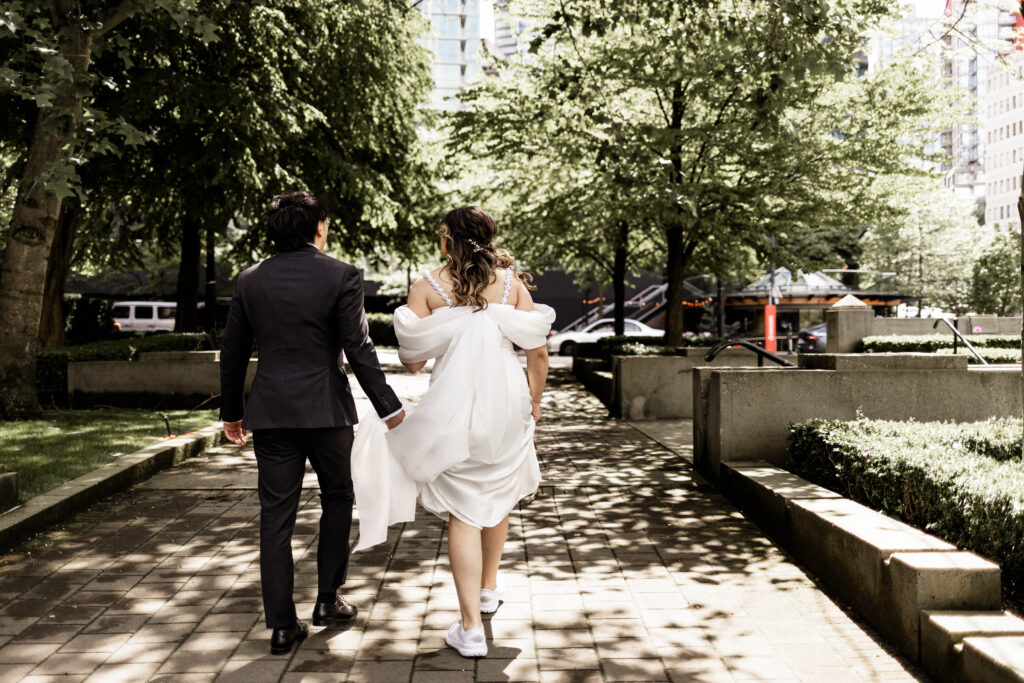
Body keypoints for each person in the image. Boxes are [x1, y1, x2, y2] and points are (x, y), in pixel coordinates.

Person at [219, 190, 405, 656]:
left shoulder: (249, 279)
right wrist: (389, 406)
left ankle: (282, 626)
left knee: (275, 517)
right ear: (317, 227)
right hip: (327, 411)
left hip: (272, 413)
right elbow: (358, 349)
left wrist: (231, 413)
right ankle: (327, 600)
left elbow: (234, 351)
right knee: (338, 497)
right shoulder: (341, 274)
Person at [384, 206, 554, 658]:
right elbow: (537, 355)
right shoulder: (510, 285)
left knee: (463, 509)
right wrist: (534, 402)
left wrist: (436, 329)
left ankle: (471, 628)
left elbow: (414, 361)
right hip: (508, 402)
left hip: (453, 406)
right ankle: (487, 589)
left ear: (446, 239)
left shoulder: (427, 287)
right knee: (497, 493)